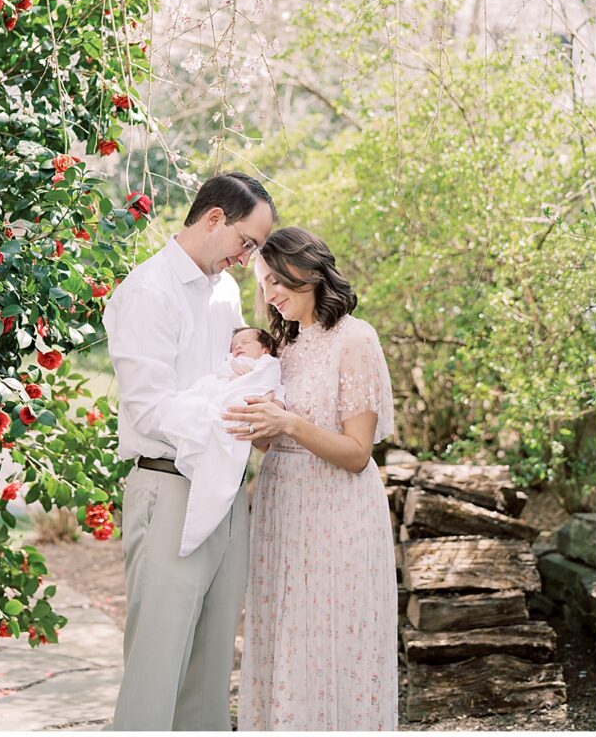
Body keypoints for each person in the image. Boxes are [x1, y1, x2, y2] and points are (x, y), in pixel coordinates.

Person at [103, 172, 277, 731]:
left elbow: (229, 375)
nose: (248, 257)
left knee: (210, 669)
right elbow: (150, 409)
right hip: (168, 484)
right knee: (158, 665)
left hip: (225, 487)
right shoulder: (146, 292)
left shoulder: (224, 291)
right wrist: (230, 419)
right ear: (213, 219)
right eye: (246, 242)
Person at [225, 226, 398, 731]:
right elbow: (269, 439)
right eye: (263, 285)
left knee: (330, 640)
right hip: (282, 508)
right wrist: (256, 418)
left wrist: (288, 422)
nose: (270, 295)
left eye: (278, 281)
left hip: (338, 515)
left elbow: (357, 454)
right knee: (284, 638)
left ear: (311, 273)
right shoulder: (284, 345)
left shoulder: (356, 339)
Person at [161, 327, 284, 558]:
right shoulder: (229, 363)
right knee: (195, 405)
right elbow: (218, 378)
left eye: (245, 342)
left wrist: (257, 388)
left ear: (266, 349)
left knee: (224, 443)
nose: (238, 347)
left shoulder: (269, 365)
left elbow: (270, 389)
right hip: (221, 400)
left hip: (245, 403)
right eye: (234, 345)